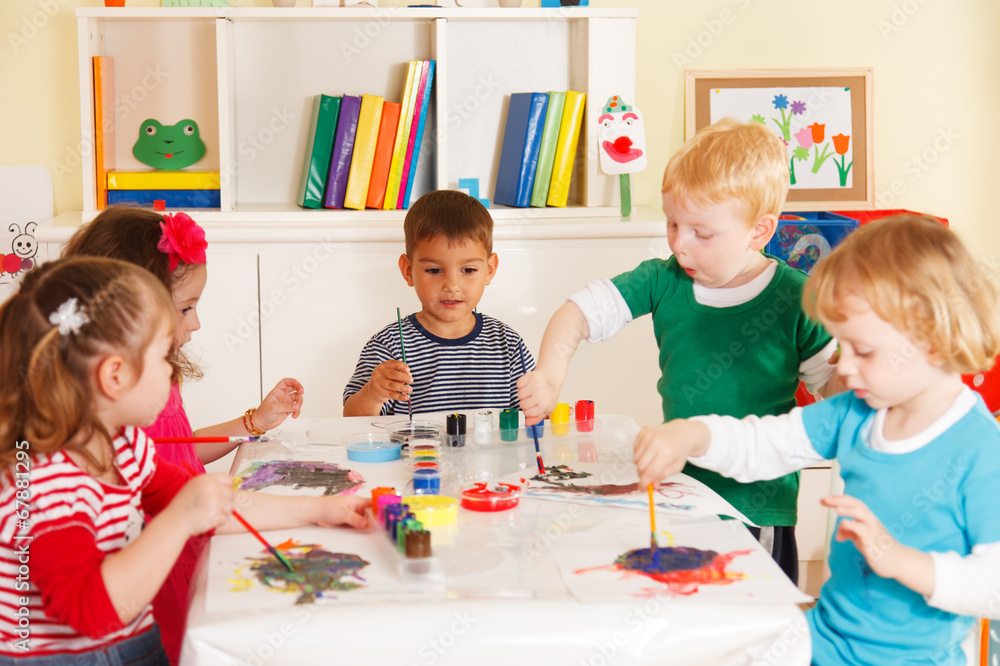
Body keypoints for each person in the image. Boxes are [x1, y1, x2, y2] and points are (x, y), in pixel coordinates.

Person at [633, 216, 1000, 665]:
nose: (844, 369)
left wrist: (899, 560)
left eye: (862, 351)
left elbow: (993, 588)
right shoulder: (857, 412)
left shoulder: (980, 451)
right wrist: (692, 433)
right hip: (826, 636)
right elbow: (767, 444)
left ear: (934, 343)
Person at [518, 118, 840, 582]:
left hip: (755, 505)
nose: (678, 244)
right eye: (672, 223)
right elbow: (578, 313)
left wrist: (850, 374)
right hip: (679, 492)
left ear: (759, 230)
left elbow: (829, 388)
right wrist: (549, 376)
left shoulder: (797, 298)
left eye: (701, 233)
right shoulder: (663, 279)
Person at [0, 257, 368, 664]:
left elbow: (211, 506)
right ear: (114, 376)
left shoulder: (123, 445)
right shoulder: (43, 484)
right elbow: (92, 612)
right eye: (163, 359)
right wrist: (181, 518)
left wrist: (320, 508)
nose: (173, 372)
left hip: (129, 638)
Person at [61, 206, 303, 663]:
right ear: (128, 313)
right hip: (157, 566)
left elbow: (175, 451)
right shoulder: (114, 404)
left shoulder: (152, 379)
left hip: (190, 540)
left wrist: (253, 423)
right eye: (186, 308)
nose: (195, 324)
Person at [344, 189, 534, 416]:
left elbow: (533, 414)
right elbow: (352, 419)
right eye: (434, 270)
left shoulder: (508, 344)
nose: (451, 285)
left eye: (468, 270)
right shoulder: (388, 346)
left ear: (489, 270)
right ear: (408, 271)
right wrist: (372, 395)